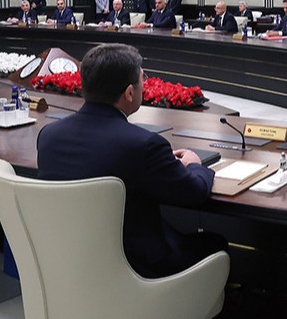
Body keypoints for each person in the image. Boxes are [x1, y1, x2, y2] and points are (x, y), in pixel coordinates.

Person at [36, 43, 227, 278]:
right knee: (214, 243)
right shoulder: (144, 145)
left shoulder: (49, 136)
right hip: (135, 269)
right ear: (129, 93)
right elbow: (194, 192)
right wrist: (194, 164)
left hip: (68, 262)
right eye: (142, 79)